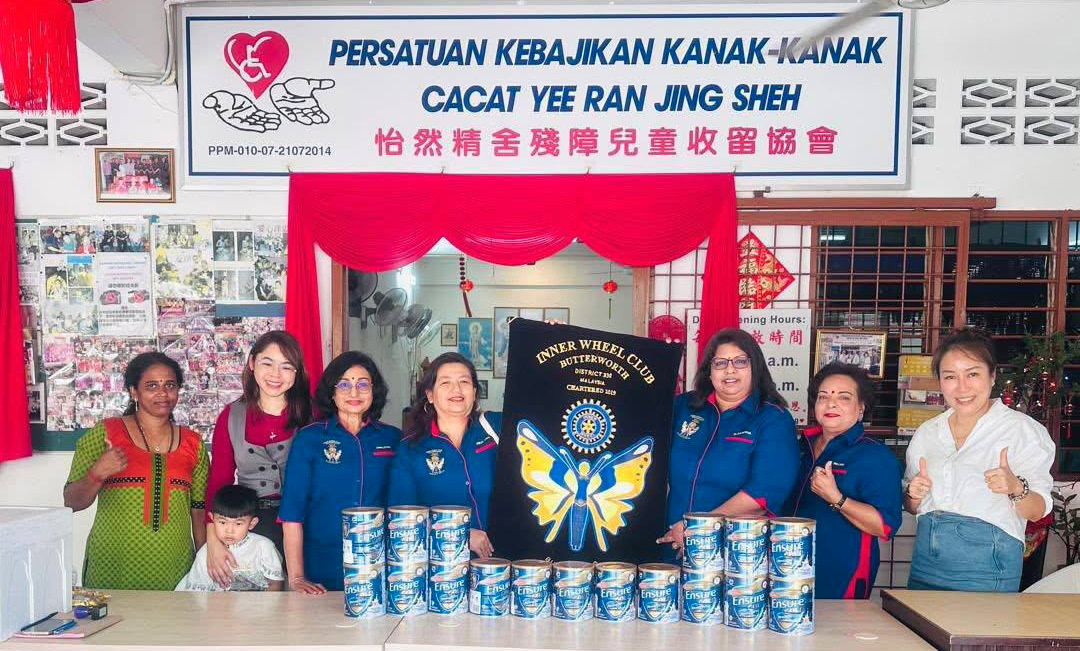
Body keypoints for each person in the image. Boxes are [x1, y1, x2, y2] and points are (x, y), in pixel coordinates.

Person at [904, 327, 1055, 592]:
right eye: (950, 377)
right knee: (919, 632)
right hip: (926, 563)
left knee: (978, 632)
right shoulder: (928, 432)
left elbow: (1037, 510)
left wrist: (1015, 487)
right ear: (939, 381)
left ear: (992, 376)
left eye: (972, 374)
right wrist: (913, 495)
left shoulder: (1021, 430)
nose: (962, 388)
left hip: (988, 565)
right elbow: (912, 506)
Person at [64, 352, 209, 590]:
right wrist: (97, 473)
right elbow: (71, 502)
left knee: (176, 627)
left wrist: (204, 564)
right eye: (152, 385)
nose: (163, 393)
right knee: (112, 627)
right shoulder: (105, 434)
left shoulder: (193, 443)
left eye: (170, 385)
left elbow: (199, 511)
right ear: (134, 391)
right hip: (112, 564)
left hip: (175, 566)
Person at [658, 328, 800, 556]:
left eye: (741, 362)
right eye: (720, 363)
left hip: (735, 548)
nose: (730, 370)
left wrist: (697, 528)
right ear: (709, 372)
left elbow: (763, 493)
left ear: (755, 367)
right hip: (673, 540)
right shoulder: (684, 406)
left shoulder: (773, 419)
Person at [278, 351, 401, 594]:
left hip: (379, 564)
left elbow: (403, 504)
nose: (353, 393)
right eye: (344, 384)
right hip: (321, 565)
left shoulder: (393, 438)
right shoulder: (310, 438)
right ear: (332, 392)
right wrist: (297, 577)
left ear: (374, 391)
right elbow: (292, 512)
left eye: (362, 384)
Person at [203, 330, 312, 589]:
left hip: (305, 523)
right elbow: (219, 480)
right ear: (252, 364)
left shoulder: (313, 414)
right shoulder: (231, 416)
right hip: (251, 525)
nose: (276, 375)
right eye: (267, 363)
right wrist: (213, 541)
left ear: (297, 373)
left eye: (287, 366)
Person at [787, 363, 902, 599]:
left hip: (842, 574)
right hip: (787, 566)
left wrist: (836, 498)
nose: (831, 403)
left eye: (844, 397)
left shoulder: (874, 457)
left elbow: (885, 526)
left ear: (861, 408)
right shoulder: (799, 447)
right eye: (823, 397)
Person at [389, 352, 501, 559]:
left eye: (464, 382)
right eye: (445, 382)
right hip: (442, 568)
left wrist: (549, 337)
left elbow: (540, 411)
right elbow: (402, 519)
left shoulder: (496, 429)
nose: (456, 389)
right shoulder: (410, 449)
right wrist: (460, 534)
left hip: (500, 565)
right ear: (430, 395)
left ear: (475, 392)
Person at [176, 485, 284, 592]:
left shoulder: (264, 547)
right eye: (222, 522)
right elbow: (197, 593)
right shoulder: (206, 552)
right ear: (212, 519)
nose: (229, 530)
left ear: (252, 523)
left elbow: (275, 584)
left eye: (238, 523)